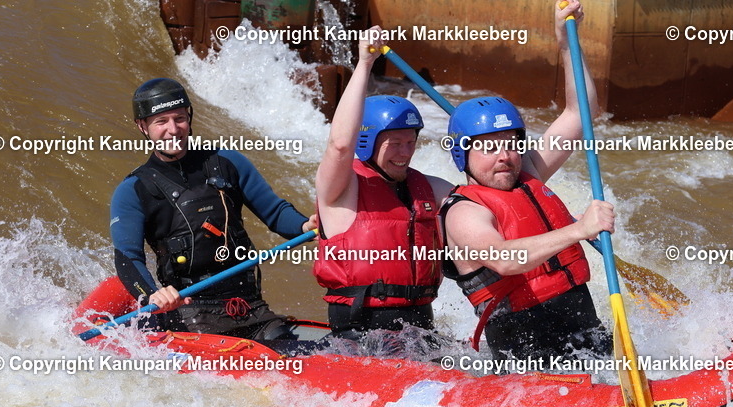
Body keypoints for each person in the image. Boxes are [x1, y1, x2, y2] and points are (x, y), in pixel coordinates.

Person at [440, 0, 614, 362]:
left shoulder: (526, 173)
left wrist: (566, 42)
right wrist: (579, 229)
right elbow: (505, 260)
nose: (504, 156)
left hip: (580, 323)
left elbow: (580, 112)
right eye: (488, 148)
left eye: (510, 145)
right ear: (462, 155)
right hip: (525, 349)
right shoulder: (463, 213)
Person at [110, 77, 309, 345]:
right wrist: (151, 295)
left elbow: (275, 213)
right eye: (161, 122)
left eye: (179, 118)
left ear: (189, 118)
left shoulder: (228, 162)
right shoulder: (134, 189)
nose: (173, 129)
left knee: (290, 355)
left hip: (251, 306)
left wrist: (305, 226)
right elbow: (127, 258)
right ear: (142, 126)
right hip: (189, 314)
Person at [313, 28, 455, 338]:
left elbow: (492, 193)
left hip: (420, 327)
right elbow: (339, 144)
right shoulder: (342, 188)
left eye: (410, 142)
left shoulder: (431, 189)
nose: (405, 153)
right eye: (394, 143)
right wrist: (365, 63)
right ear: (366, 141)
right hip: (360, 334)